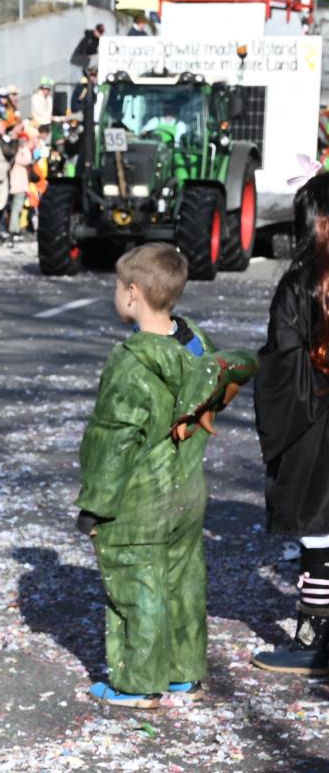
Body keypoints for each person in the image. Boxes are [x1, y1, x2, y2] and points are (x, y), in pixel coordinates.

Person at [76, 243, 257, 707]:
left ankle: (136, 683)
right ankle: (183, 674)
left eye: (118, 287)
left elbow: (113, 440)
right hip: (187, 490)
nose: (116, 294)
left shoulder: (132, 362)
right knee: (182, 580)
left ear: (133, 293)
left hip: (139, 496)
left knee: (136, 585)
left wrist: (94, 505)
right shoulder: (196, 343)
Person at [252, 173, 329, 674]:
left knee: (320, 528)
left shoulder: (302, 283)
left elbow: (283, 358)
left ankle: (315, 640)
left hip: (316, 420)